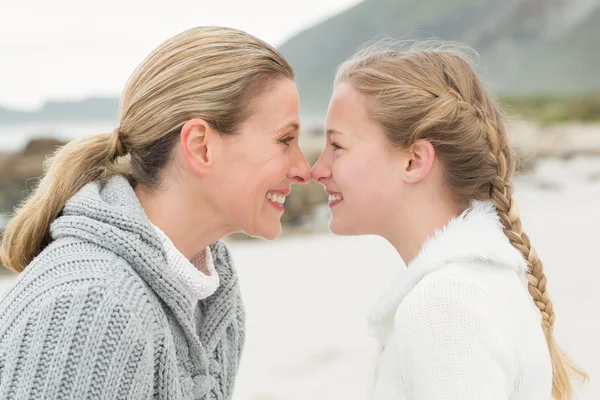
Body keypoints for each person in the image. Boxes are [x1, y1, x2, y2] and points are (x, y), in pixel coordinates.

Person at [0, 26, 310, 399]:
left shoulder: (213, 294)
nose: (303, 169)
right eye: (285, 140)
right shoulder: (92, 308)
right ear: (200, 147)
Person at [311, 45, 587, 399]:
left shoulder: (445, 305)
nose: (317, 170)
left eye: (337, 145)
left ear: (414, 161)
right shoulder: (474, 286)